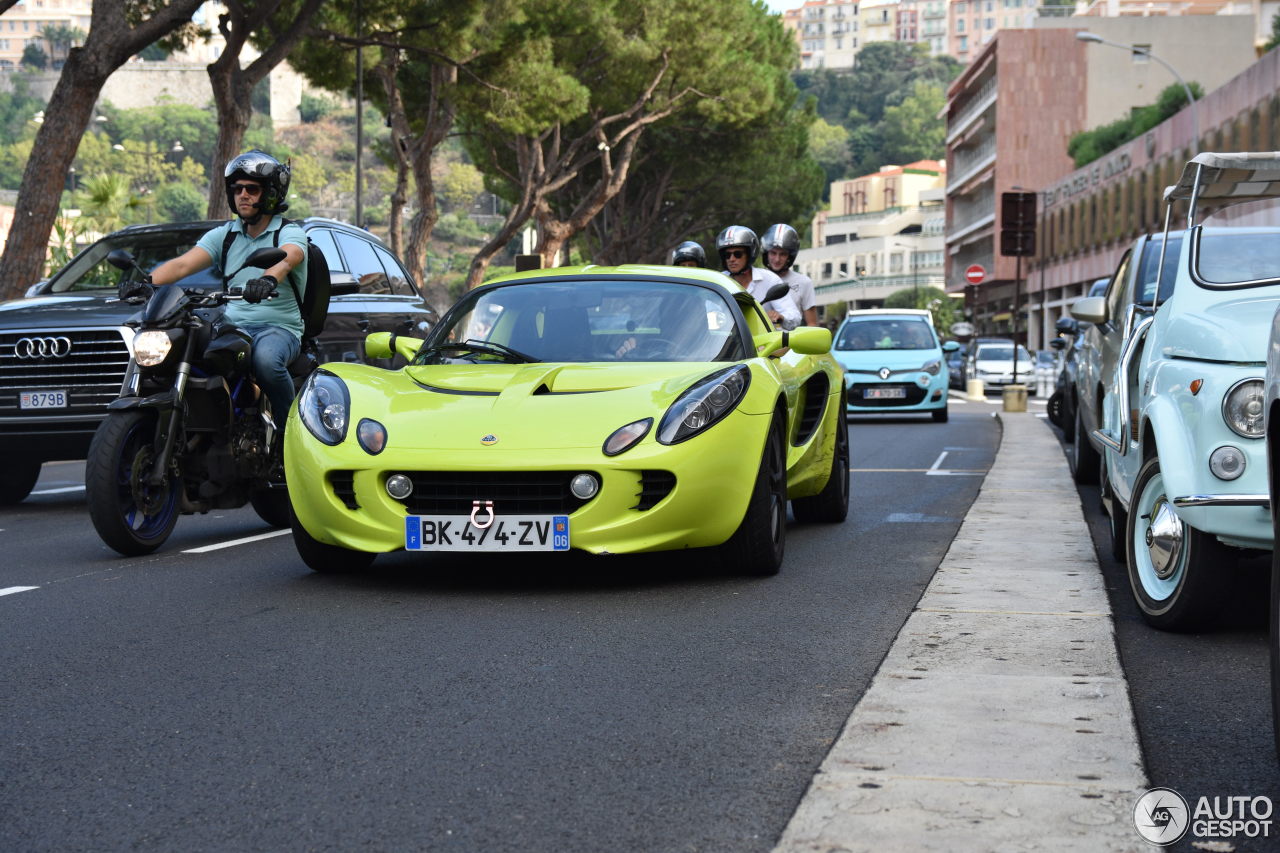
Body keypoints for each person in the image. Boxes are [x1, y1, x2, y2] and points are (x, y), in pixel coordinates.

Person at [123, 150, 308, 426]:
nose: (242, 195)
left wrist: (267, 280)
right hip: (233, 326)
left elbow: (288, 257)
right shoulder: (225, 236)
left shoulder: (288, 232)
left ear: (270, 193)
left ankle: (291, 430)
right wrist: (145, 282)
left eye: (252, 189)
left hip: (278, 329)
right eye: (237, 189)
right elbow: (183, 265)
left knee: (267, 362)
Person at [715, 225, 801, 330]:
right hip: (725, 342)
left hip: (764, 343)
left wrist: (780, 317)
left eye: (737, 254)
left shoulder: (769, 280)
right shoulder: (718, 282)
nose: (731, 259)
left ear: (750, 254)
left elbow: (794, 316)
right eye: (727, 255)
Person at [761, 223, 818, 327]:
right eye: (773, 253)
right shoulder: (757, 279)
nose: (777, 259)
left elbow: (812, 324)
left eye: (782, 254)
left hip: (792, 341)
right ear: (766, 253)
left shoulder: (804, 282)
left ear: (790, 257)